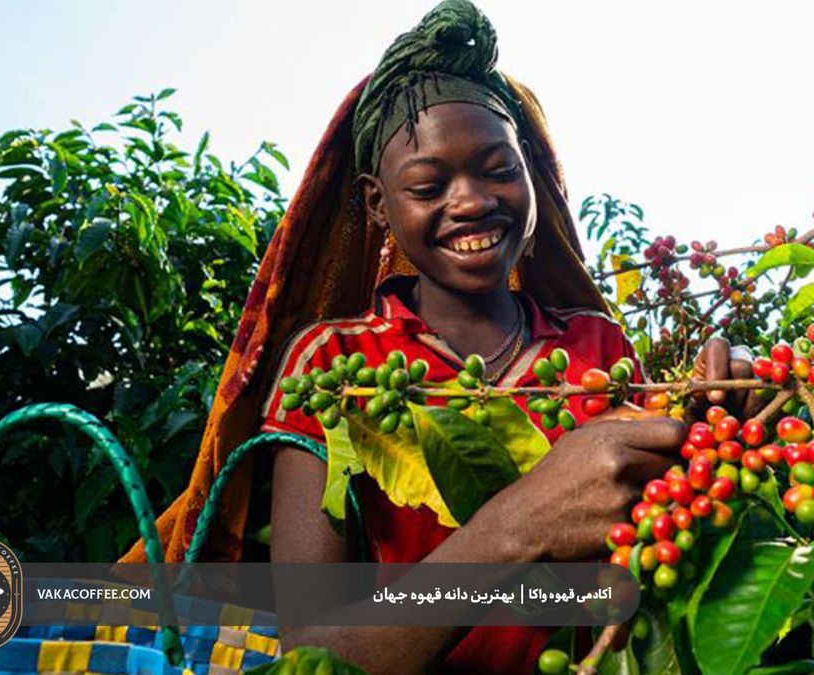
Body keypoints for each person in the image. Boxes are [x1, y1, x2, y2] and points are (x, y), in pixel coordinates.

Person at [121, 2, 756, 673]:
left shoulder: (596, 346)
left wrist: (721, 417)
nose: (471, 200)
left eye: (498, 169)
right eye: (428, 184)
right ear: (377, 204)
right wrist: (515, 528)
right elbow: (314, 655)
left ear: (532, 177)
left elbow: (651, 541)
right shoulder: (336, 366)